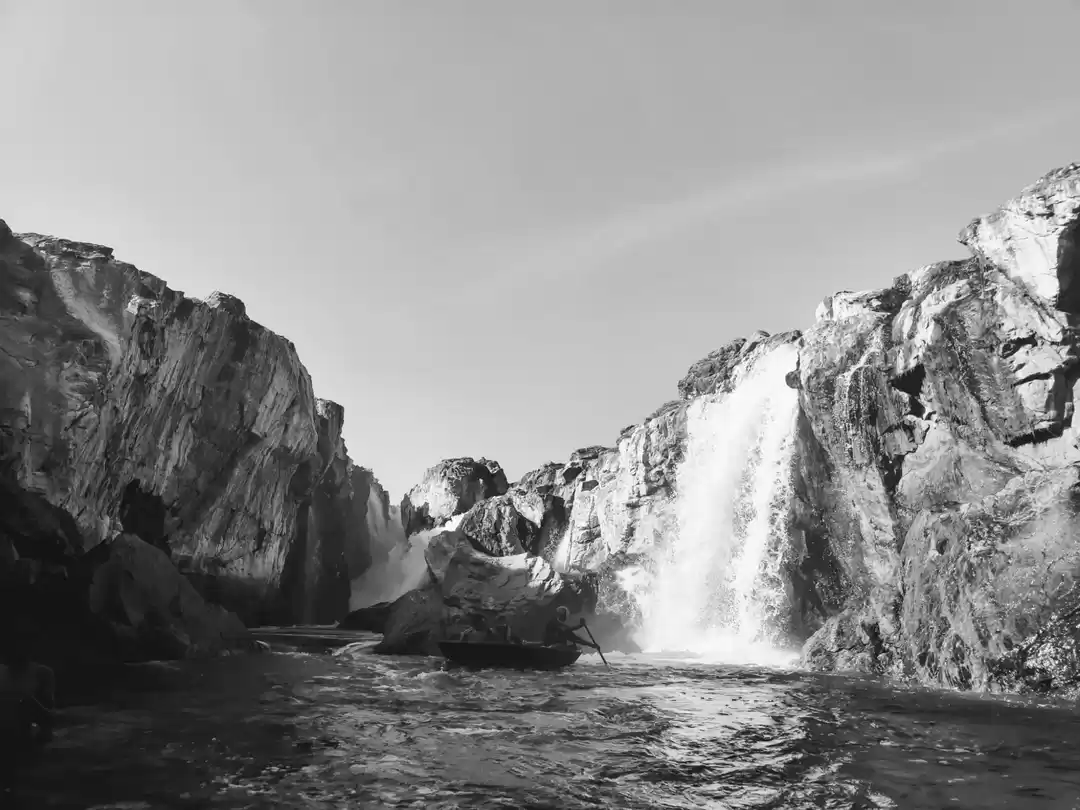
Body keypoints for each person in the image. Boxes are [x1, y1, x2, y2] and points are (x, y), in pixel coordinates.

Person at [0, 630, 55, 796]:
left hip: (24, 730)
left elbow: (48, 710)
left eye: (19, 648)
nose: (15, 652)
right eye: (10, 648)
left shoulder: (42, 673)